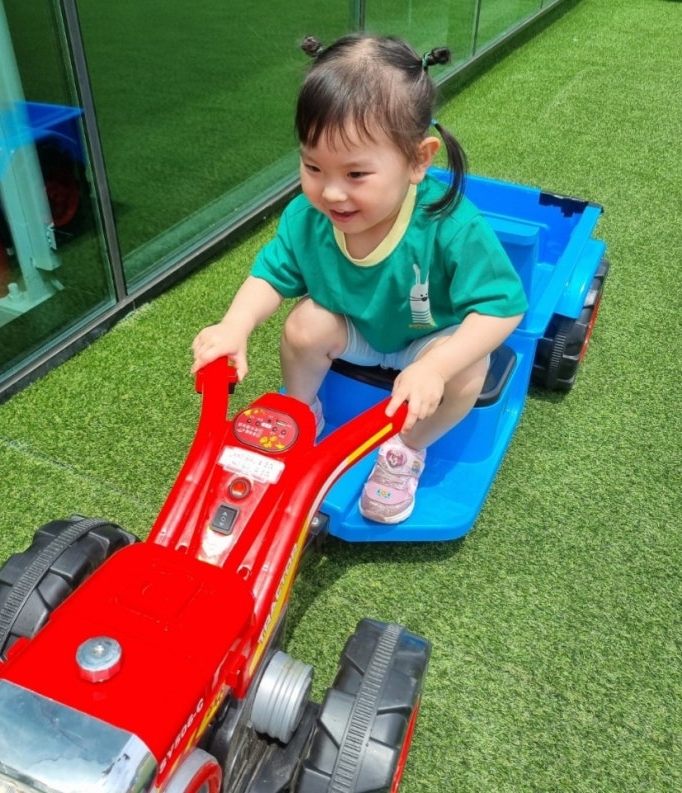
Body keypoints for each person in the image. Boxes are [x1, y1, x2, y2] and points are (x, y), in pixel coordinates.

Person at [192, 33, 528, 524]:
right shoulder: (307, 219)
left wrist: (437, 367)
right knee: (303, 325)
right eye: (313, 166)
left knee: (468, 369)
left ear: (418, 160)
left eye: (355, 175)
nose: (331, 193)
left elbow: (502, 307)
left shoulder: (450, 225)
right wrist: (234, 325)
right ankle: (299, 415)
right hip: (356, 332)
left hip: (428, 339)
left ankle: (407, 449)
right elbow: (269, 276)